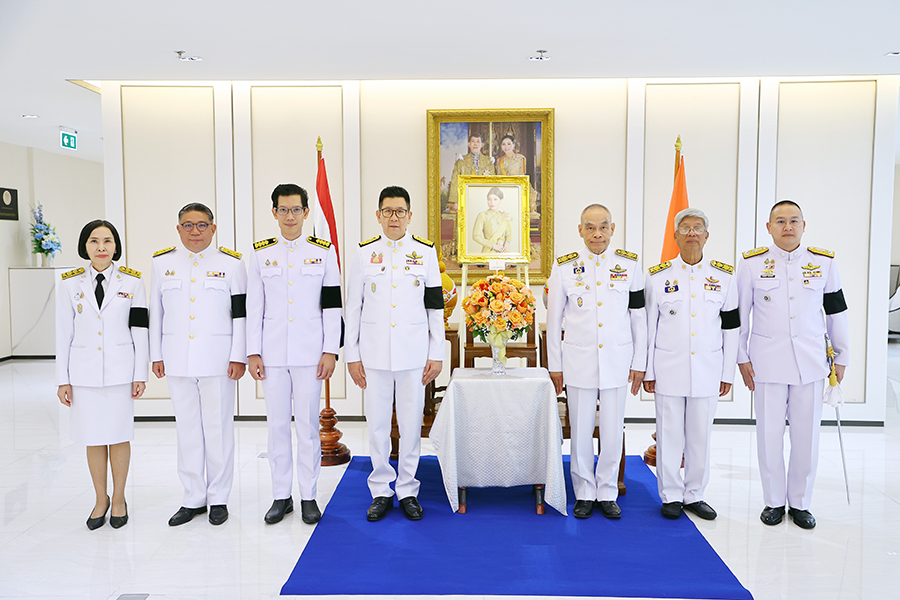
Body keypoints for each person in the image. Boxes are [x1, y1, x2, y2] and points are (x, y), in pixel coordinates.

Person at [736, 200, 849, 529]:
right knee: (769, 435)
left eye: (794, 221)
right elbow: (741, 315)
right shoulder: (752, 264)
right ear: (769, 227)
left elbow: (837, 312)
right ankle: (773, 501)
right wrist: (741, 356)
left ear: (803, 225)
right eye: (780, 221)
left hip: (811, 363)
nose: (788, 227)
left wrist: (841, 356)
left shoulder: (824, 262)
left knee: (806, 436)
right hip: (767, 363)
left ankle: (800, 503)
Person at [345, 185, 445, 522]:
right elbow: (353, 307)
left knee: (411, 424)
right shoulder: (364, 253)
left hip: (413, 354)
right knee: (377, 425)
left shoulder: (425, 253)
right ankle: (381, 489)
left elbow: (435, 307)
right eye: (387, 211)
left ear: (409, 215)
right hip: (373, 355)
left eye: (400, 211)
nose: (394, 217)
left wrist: (437, 352)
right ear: (378, 215)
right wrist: (352, 355)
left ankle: (407, 489)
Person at [247, 184, 342, 525]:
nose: (290, 216)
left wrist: (330, 350)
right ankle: (280, 496)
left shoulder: (323, 251)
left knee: (307, 428)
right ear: (274, 212)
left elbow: (332, 304)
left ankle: (308, 496)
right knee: (277, 428)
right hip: (272, 354)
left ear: (306, 212)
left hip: (310, 353)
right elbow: (254, 306)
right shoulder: (260, 254)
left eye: (296, 209)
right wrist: (252, 351)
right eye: (283, 209)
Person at [149, 202, 248, 527]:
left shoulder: (231, 264)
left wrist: (238, 355)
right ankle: (193, 497)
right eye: (188, 225)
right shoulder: (162, 263)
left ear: (213, 229)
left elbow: (241, 314)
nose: (195, 231)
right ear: (178, 229)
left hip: (218, 360)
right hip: (177, 359)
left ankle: (218, 497)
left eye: (202, 225)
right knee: (188, 430)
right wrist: (156, 354)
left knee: (218, 430)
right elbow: (155, 312)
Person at [546, 204, 646, 519]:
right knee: (581, 430)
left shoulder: (629, 264)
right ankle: (584, 492)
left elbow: (639, 317)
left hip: (617, 359)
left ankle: (607, 491)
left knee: (613, 430)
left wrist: (640, 361)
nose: (597, 233)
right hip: (579, 359)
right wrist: (555, 365)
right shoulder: (565, 266)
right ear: (580, 230)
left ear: (612, 229)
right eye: (590, 227)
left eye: (603, 226)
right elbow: (553, 319)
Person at [643, 208, 739, 521]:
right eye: (685, 228)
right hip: (667, 368)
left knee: (700, 436)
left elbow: (732, 328)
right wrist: (649, 370)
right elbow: (649, 327)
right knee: (669, 434)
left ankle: (695, 494)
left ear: (707, 236)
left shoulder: (724, 277)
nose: (692, 233)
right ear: (675, 236)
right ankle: (671, 495)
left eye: (698, 228)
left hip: (708, 369)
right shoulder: (658, 276)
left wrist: (727, 372)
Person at [56, 220, 148, 530]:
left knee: (119, 436)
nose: (101, 247)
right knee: (92, 437)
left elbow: (140, 330)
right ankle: (100, 498)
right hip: (83, 375)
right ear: (85, 246)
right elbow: (63, 333)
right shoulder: (70, 283)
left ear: (115, 246)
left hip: (121, 372)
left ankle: (119, 498)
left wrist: (140, 373)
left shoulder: (132, 282)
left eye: (107, 241)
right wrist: (63, 379)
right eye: (94, 241)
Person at [448, 133, 495, 207]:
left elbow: (493, 182)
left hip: (484, 198)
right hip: (466, 197)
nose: (475, 144)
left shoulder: (489, 162)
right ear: (469, 144)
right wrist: (455, 201)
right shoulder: (461, 161)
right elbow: (455, 181)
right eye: (473, 141)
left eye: (478, 141)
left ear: (482, 144)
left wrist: (493, 200)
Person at [471, 186, 513, 253]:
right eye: (489, 199)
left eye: (495, 199)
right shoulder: (483, 215)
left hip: (503, 252)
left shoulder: (505, 216)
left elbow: (508, 235)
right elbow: (476, 236)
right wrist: (493, 246)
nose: (492, 202)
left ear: (501, 200)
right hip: (489, 251)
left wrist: (508, 243)